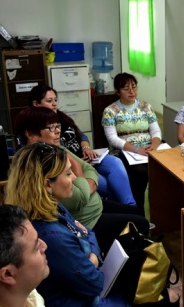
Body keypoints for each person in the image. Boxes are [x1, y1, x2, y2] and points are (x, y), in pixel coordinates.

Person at [4, 143, 180, 307]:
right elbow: (95, 283)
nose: (74, 180)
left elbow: (88, 232)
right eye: (68, 174)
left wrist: (90, 254)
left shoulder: (51, 209)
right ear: (47, 184)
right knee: (170, 299)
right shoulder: (52, 236)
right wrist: (94, 256)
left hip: (81, 291)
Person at [14, 106, 149, 253]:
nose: (58, 131)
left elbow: (90, 170)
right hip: (88, 221)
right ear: (30, 134)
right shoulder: (40, 164)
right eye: (51, 128)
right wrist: (80, 171)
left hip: (95, 205)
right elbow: (79, 197)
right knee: (140, 224)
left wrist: (84, 185)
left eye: (57, 126)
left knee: (138, 213)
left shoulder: (53, 148)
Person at [29, 83, 137, 207]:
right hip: (76, 166)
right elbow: (59, 155)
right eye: (49, 101)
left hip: (88, 157)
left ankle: (131, 207)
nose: (54, 104)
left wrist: (86, 148)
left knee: (115, 162)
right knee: (112, 185)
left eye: (55, 100)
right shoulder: (41, 128)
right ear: (36, 104)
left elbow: (82, 135)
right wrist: (79, 161)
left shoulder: (62, 117)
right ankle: (127, 211)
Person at [102, 72, 162, 210]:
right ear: (118, 91)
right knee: (140, 173)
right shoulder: (110, 111)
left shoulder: (146, 107)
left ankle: (160, 216)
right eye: (126, 88)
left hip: (147, 152)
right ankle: (138, 213)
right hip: (124, 153)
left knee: (163, 171)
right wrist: (136, 150)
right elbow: (112, 138)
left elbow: (156, 131)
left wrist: (153, 146)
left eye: (134, 87)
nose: (132, 91)